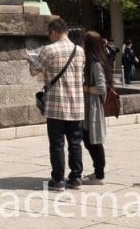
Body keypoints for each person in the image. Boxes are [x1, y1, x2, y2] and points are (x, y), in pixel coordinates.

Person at [30, 17, 86, 191]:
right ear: (66, 31)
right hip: (76, 103)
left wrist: (30, 60)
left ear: (53, 31)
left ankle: (58, 180)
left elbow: (34, 71)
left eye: (50, 34)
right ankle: (76, 177)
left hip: (56, 104)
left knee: (57, 143)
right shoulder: (79, 50)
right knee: (75, 142)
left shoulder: (48, 50)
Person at [81, 31, 111, 185]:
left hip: (93, 106)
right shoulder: (91, 62)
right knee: (88, 139)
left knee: (94, 140)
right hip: (88, 105)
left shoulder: (96, 64)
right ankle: (97, 171)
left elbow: (101, 88)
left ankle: (100, 174)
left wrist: (84, 88)